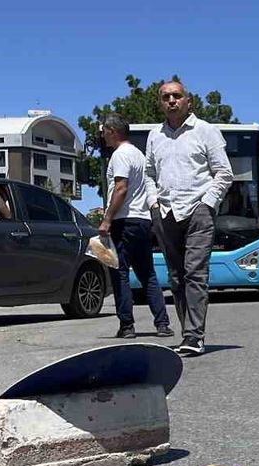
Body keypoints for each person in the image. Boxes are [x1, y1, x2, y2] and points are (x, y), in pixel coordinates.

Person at [144, 79, 234, 356]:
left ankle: (194, 336)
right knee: (176, 276)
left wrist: (207, 204)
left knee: (194, 273)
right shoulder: (154, 136)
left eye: (177, 96)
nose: (171, 101)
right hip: (166, 212)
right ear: (160, 103)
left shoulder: (205, 130)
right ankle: (187, 333)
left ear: (188, 101)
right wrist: (153, 203)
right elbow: (149, 174)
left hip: (198, 211)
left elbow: (224, 173)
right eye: (166, 97)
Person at [99, 114, 172, 340]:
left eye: (104, 131)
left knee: (119, 272)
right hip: (142, 220)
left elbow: (121, 188)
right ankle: (162, 324)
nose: (103, 135)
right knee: (147, 274)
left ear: (112, 131)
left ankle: (127, 325)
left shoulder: (120, 155)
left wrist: (107, 219)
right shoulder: (139, 155)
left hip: (124, 221)